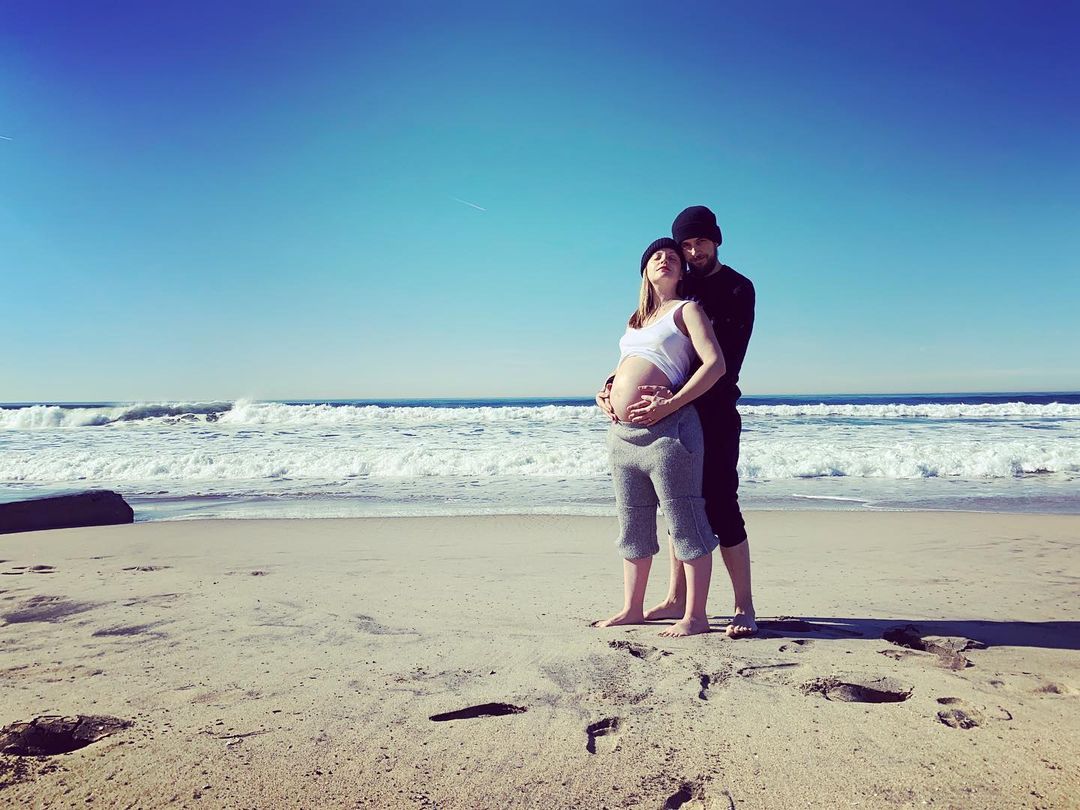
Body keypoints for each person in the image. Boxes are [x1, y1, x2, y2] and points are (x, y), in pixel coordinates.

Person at [598, 206, 757, 638]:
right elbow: (648, 349)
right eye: (685, 245)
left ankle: (743, 606)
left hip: (711, 410)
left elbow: (723, 363)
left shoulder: (736, 288)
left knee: (720, 505)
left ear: (716, 240)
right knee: (676, 509)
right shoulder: (676, 287)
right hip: (663, 417)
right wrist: (612, 387)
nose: (692, 251)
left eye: (699, 242)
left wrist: (670, 398)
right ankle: (674, 598)